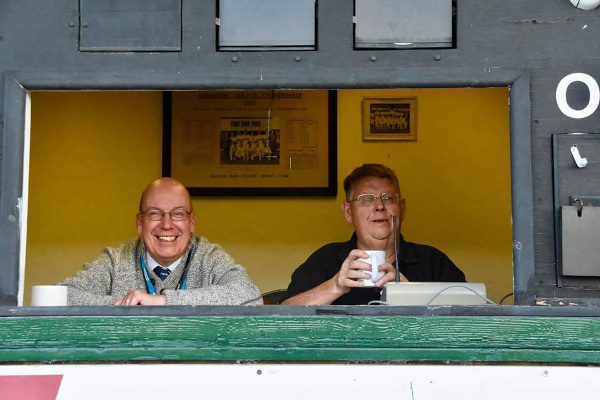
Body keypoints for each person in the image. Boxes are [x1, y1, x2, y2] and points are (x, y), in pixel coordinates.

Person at [281, 163, 465, 305]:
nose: (379, 206)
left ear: (402, 208)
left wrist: (411, 295)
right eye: (367, 199)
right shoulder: (325, 260)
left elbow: (471, 319)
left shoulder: (434, 262)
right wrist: (336, 285)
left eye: (388, 198)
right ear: (348, 212)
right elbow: (282, 315)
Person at [60, 177, 262, 306]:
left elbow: (250, 296)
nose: (167, 224)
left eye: (178, 214)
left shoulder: (208, 257)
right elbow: (63, 296)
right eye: (155, 214)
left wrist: (164, 301)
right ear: (140, 223)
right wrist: (129, 305)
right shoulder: (115, 260)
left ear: (192, 222)